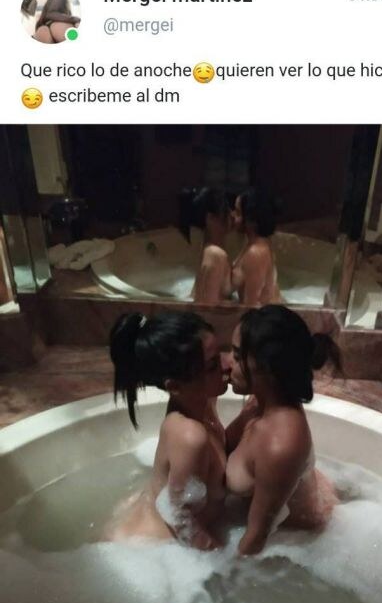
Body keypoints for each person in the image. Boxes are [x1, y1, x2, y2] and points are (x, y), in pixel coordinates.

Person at [106, 311, 228, 549]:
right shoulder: (190, 436)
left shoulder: (202, 402)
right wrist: (225, 558)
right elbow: (180, 520)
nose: (226, 365)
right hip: (149, 547)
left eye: (220, 353)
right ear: (175, 386)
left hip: (149, 520)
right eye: (213, 365)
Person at [225, 305, 341, 555]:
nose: (227, 363)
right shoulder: (259, 403)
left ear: (266, 366)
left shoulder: (280, 445)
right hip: (304, 492)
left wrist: (216, 574)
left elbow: (255, 540)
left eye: (237, 356)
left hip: (301, 540)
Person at [179, 187, 232, 304]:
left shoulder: (208, 250)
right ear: (210, 218)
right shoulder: (216, 254)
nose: (231, 214)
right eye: (226, 210)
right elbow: (208, 308)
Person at [231, 188, 282, 305]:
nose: (232, 215)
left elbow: (251, 305)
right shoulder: (255, 245)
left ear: (251, 220)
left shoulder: (256, 253)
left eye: (238, 212)